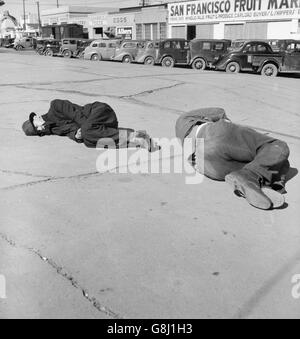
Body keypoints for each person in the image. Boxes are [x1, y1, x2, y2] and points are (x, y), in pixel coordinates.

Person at [176, 108, 291, 210]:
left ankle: (255, 181)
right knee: (277, 147)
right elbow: (219, 112)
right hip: (215, 135)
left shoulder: (182, 131)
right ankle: (262, 178)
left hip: (204, 165)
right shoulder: (187, 116)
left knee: (262, 160)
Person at [22, 99, 156, 151]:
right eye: (34, 120)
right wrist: (77, 136)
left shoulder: (55, 105)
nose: (36, 116)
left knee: (87, 131)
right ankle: (137, 138)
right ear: (38, 129)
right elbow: (72, 133)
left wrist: (83, 131)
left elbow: (77, 116)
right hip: (100, 125)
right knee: (87, 141)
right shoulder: (55, 129)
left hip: (100, 111)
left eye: (34, 116)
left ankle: (132, 136)